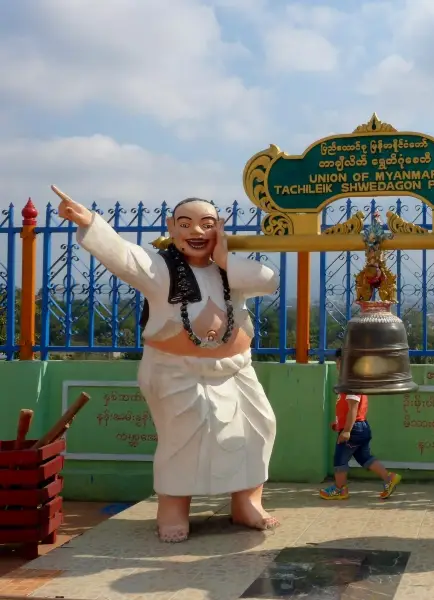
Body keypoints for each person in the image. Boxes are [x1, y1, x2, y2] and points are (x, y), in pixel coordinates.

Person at [51, 185, 279, 543]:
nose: (197, 232)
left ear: (219, 226)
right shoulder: (160, 269)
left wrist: (225, 260)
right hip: (176, 371)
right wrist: (90, 222)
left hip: (236, 370)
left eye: (206, 224)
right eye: (186, 224)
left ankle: (247, 501)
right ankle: (173, 508)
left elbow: (269, 280)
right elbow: (123, 256)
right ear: (171, 227)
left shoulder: (230, 271)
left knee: (258, 427)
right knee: (182, 439)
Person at [320, 348, 401, 500]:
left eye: (339, 360)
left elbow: (353, 408)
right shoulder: (351, 381)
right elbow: (347, 410)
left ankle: (340, 489)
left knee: (340, 459)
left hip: (354, 429)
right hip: (361, 427)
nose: (337, 363)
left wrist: (346, 431)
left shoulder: (352, 383)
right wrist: (338, 424)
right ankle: (389, 477)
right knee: (364, 457)